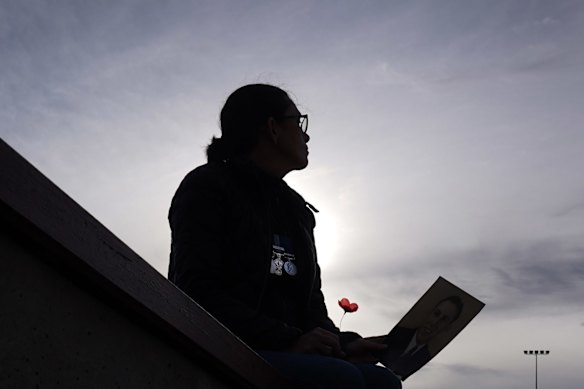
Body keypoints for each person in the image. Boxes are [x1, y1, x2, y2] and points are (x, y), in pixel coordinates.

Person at [168, 84, 401, 389]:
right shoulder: (208, 187)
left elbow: (310, 309)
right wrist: (290, 341)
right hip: (220, 345)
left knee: (382, 382)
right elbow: (195, 292)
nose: (306, 135)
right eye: (299, 122)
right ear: (272, 128)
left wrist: (345, 345)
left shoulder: (296, 210)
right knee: (341, 379)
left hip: (281, 349)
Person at [380, 295, 464, 380]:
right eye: (436, 314)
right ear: (429, 313)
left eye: (444, 320)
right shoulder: (398, 334)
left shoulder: (426, 359)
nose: (435, 322)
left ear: (447, 327)